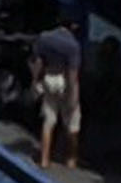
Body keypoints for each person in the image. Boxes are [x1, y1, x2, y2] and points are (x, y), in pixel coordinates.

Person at [32, 22, 83, 170]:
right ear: (73, 27)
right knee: (72, 123)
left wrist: (35, 82)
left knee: (49, 120)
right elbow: (73, 76)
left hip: (49, 78)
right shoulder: (73, 46)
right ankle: (71, 159)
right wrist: (73, 97)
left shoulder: (45, 38)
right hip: (64, 82)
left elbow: (38, 62)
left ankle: (44, 159)